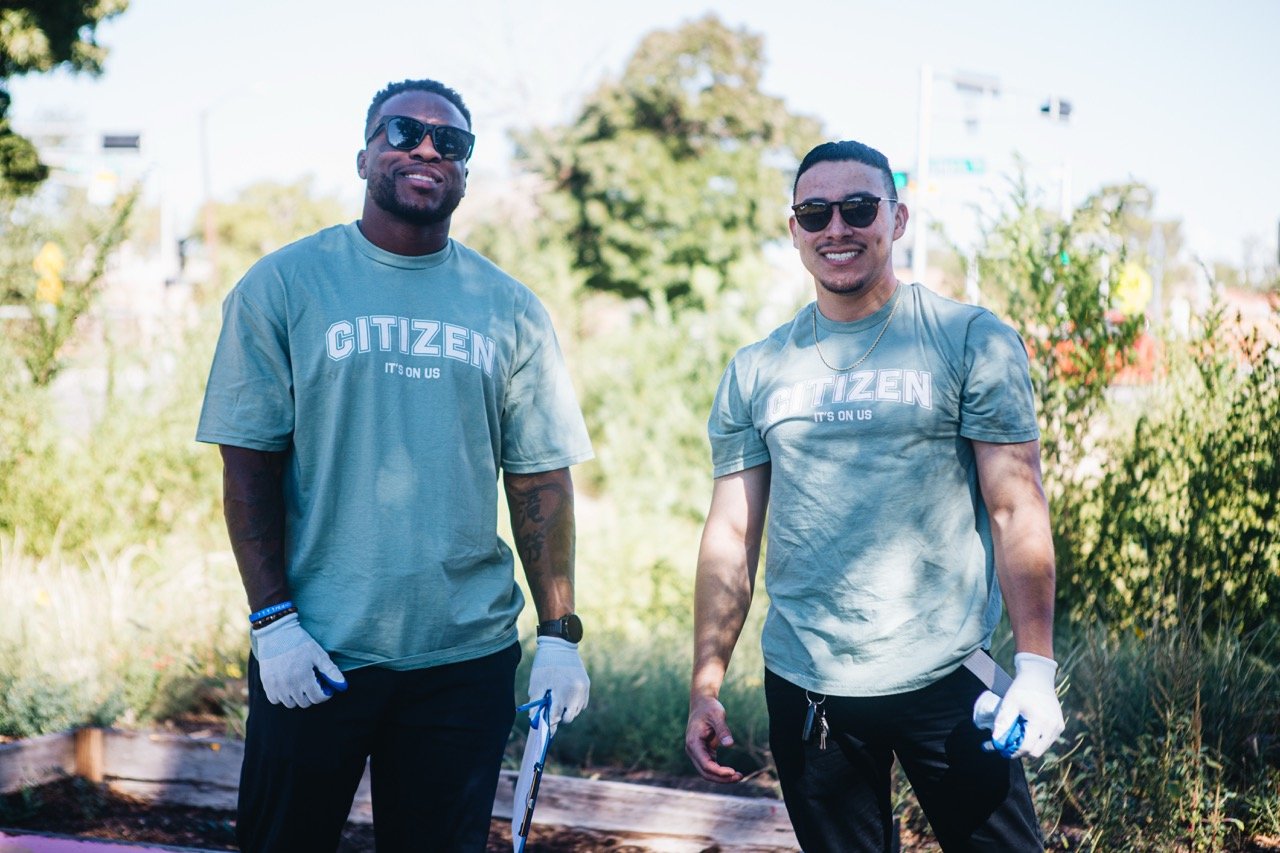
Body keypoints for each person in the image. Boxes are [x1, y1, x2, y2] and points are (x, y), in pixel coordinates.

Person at [197, 78, 594, 852]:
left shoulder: (508, 306)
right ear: (364, 154)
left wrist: (560, 633)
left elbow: (540, 480)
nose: (424, 149)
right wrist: (272, 621)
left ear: (465, 170)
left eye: (450, 142)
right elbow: (249, 467)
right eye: (403, 131)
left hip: (463, 658)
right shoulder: (282, 285)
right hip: (317, 648)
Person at [684, 140, 1065, 852]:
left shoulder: (968, 339)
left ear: (897, 218)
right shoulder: (757, 368)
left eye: (859, 207)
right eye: (815, 211)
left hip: (950, 680)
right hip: (811, 688)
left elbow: (1017, 506)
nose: (838, 228)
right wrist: (706, 679)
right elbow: (731, 535)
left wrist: (1036, 669)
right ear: (793, 227)